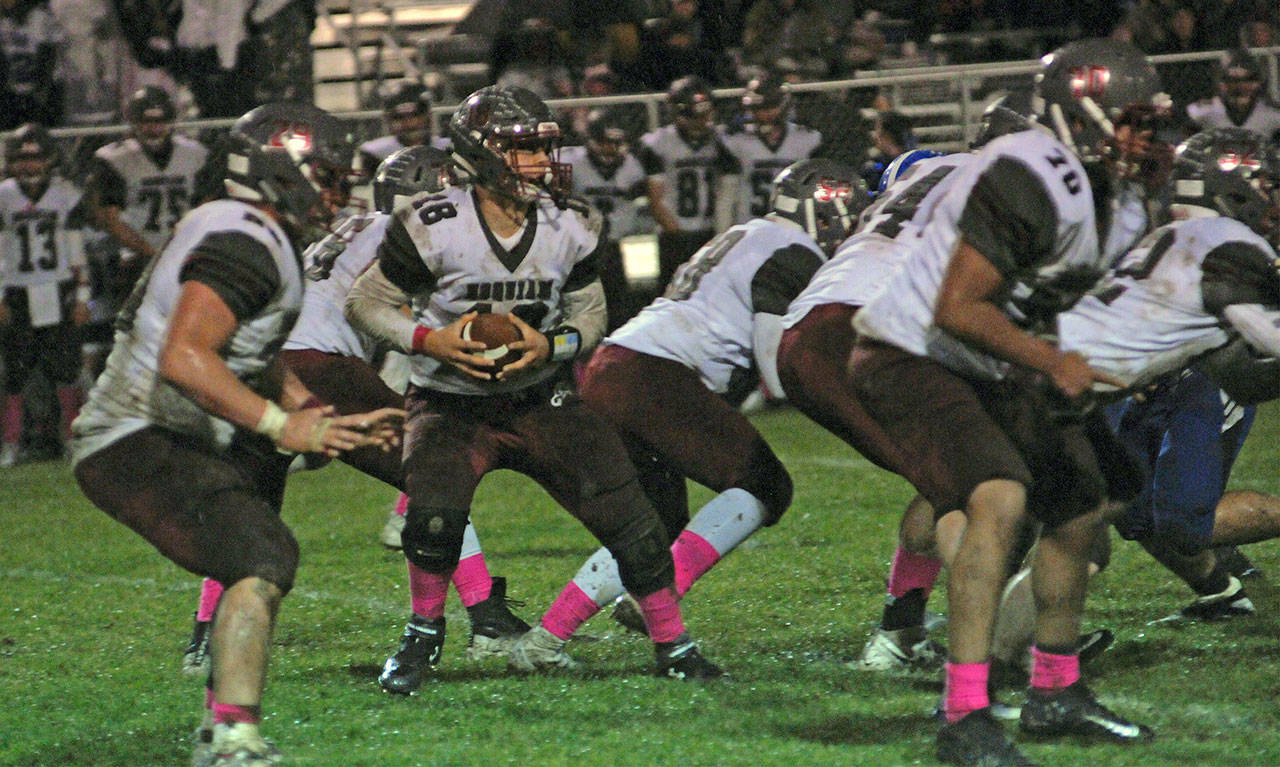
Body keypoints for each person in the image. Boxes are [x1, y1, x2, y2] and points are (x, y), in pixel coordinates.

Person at [832, 39, 1172, 765]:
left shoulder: (1118, 196)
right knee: (999, 495)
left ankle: (1054, 689)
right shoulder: (1030, 174)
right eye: (1131, 121)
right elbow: (959, 306)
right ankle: (963, 714)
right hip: (911, 351)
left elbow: (1050, 298)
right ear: (1073, 113)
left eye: (1152, 123)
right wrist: (1053, 361)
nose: (1145, 139)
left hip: (988, 358)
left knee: (1090, 495)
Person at [345, 85, 723, 693]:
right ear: (477, 152)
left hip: (540, 399)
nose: (537, 164)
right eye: (520, 150)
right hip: (449, 403)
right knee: (434, 521)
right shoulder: (434, 222)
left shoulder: (571, 223)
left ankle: (673, 644)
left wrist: (552, 346)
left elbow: (590, 313)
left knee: (634, 518)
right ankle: (422, 636)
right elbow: (367, 301)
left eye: (543, 149)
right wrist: (429, 341)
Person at [70, 102, 405, 767]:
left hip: (163, 429)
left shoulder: (242, 227)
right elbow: (186, 356)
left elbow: (249, 348)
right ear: (281, 173)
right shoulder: (247, 240)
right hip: (138, 433)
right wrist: (281, 424)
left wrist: (314, 410)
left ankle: (221, 724)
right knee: (261, 554)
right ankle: (232, 739)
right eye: (328, 177)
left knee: (255, 550)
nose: (337, 194)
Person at [179, 145, 531, 679]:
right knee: (435, 476)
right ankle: (485, 616)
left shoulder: (350, 228)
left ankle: (205, 639)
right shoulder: (415, 235)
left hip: (259, 362)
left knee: (253, 502)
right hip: (320, 364)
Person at [508, 158, 866, 669]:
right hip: (656, 373)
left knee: (648, 528)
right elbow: (774, 361)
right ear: (825, 214)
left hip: (616, 361)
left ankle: (544, 643)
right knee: (766, 484)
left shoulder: (748, 233)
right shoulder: (794, 253)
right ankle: (665, 589)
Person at [0, 123, 90, 467]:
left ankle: (70, 437)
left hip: (58, 288)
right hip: (19, 290)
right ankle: (11, 442)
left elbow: (77, 251)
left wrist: (83, 296)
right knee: (15, 374)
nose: (29, 165)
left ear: (50, 159)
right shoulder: (4, 194)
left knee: (66, 370)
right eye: (23, 158)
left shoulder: (65, 194)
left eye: (36, 158)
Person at [86, 86, 211, 303]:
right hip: (136, 256)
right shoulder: (114, 159)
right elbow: (109, 219)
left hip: (187, 251)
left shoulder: (195, 154)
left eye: (159, 122)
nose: (153, 129)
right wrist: (150, 253)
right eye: (146, 122)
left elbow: (209, 206)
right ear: (133, 122)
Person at [638, 75, 740, 292]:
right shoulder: (658, 143)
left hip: (711, 231)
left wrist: (721, 232)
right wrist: (676, 234)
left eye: (706, 114)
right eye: (695, 116)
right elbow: (655, 199)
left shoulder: (722, 141)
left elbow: (730, 186)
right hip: (676, 234)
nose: (702, 121)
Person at [560, 107, 651, 332]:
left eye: (616, 143)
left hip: (615, 246)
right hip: (578, 248)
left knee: (619, 306)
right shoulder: (570, 162)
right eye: (604, 142)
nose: (610, 149)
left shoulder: (633, 167)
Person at [721, 72, 823, 224]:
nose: (765, 114)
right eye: (760, 108)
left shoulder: (806, 138)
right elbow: (727, 195)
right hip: (751, 224)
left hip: (794, 224)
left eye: (770, 107)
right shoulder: (736, 140)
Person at [356, 81, 451, 176]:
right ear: (388, 121)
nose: (409, 123)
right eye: (399, 117)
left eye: (415, 115)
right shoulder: (375, 154)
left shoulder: (448, 148)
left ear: (428, 117)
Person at [1186, 48, 1280, 142]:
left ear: (1258, 82)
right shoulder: (1204, 112)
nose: (1241, 87)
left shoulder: (1272, 114)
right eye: (1233, 81)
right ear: (1221, 83)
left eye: (1248, 80)